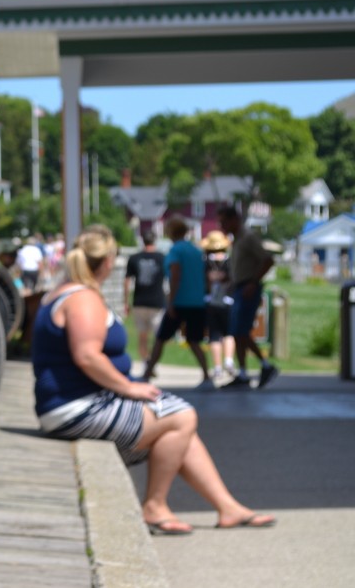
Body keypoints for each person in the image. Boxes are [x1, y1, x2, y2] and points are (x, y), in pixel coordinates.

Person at [31, 224, 275, 535]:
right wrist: (128, 387)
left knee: (177, 424)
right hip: (76, 408)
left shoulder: (66, 291)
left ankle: (227, 508)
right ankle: (154, 506)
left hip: (74, 403)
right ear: (107, 261)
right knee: (182, 415)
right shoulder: (83, 299)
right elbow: (87, 356)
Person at [142, 217, 214, 390]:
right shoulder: (196, 250)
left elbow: (175, 275)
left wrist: (171, 301)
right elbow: (206, 276)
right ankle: (206, 376)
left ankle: (146, 375)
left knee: (161, 338)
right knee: (194, 340)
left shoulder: (176, 250)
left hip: (181, 301)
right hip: (197, 302)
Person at [217, 205, 279, 389]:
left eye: (224, 222)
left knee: (241, 330)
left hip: (247, 290)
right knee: (237, 332)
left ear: (234, 219)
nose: (222, 226)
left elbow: (268, 260)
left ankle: (265, 366)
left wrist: (252, 282)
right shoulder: (236, 240)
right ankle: (243, 372)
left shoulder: (248, 238)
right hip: (239, 288)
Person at [123, 230, 166, 365]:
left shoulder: (134, 258)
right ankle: (152, 362)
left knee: (142, 335)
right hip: (157, 301)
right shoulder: (162, 258)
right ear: (155, 241)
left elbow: (127, 282)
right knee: (158, 336)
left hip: (139, 301)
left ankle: (145, 360)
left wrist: (126, 302)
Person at [201, 230, 237, 383]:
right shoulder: (229, 261)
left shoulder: (206, 262)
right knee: (229, 333)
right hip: (228, 301)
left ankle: (217, 367)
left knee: (214, 336)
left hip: (210, 301)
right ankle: (228, 361)